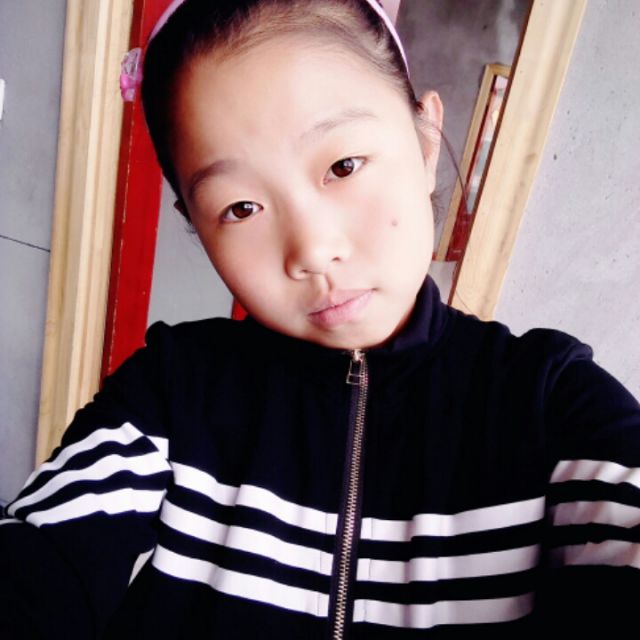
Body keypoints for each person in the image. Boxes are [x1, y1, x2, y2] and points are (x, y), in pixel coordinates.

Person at [1, 0, 639, 637]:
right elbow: (38, 563)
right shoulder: (172, 392)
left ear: (424, 142)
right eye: (241, 208)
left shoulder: (551, 403)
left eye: (343, 166)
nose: (310, 249)